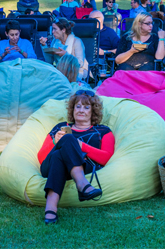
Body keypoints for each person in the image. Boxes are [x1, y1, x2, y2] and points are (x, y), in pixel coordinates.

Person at [36, 90, 115, 224]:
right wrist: (55, 142)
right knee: (65, 141)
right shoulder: (61, 127)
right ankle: (82, 185)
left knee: (59, 153)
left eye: (86, 107)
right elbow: (42, 157)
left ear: (93, 111)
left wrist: (81, 146)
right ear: (72, 109)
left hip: (85, 166)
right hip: (49, 168)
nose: (81, 110)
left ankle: (50, 208)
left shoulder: (103, 131)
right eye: (77, 106)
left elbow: (106, 158)